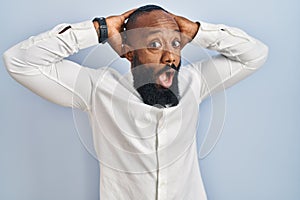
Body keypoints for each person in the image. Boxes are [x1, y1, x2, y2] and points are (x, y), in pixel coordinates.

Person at [3, 4, 268, 200]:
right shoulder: (98, 90)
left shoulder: (194, 82)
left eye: (175, 43)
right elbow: (19, 62)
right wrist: (101, 29)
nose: (170, 56)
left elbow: (255, 55)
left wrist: (197, 31)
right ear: (129, 52)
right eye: (154, 43)